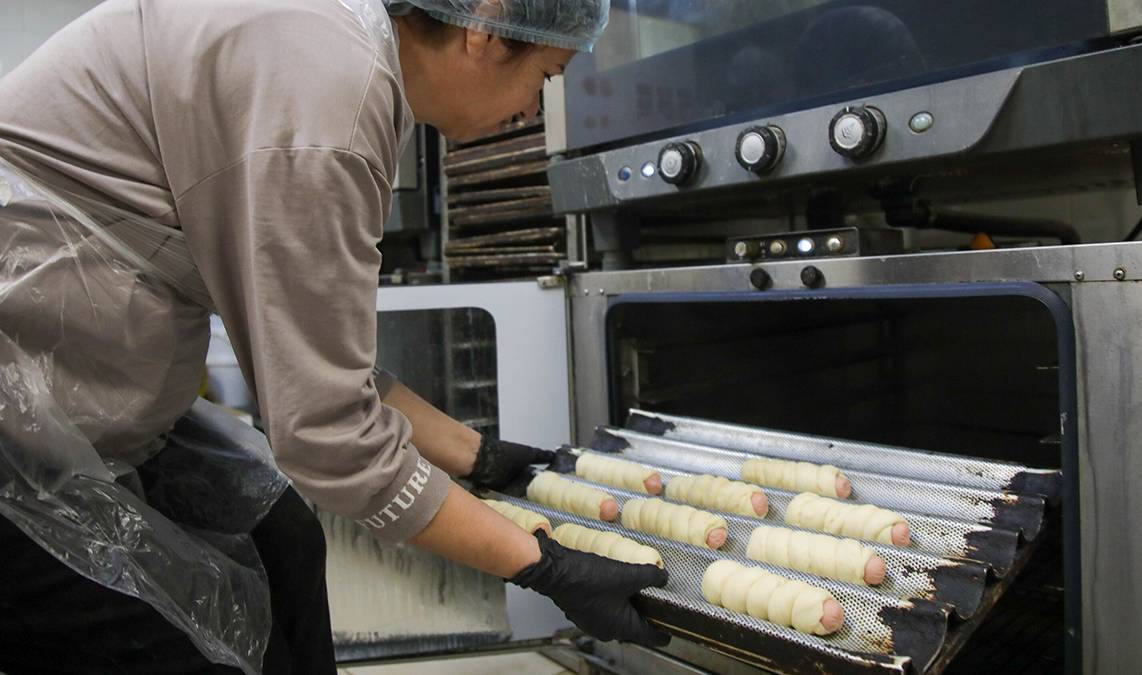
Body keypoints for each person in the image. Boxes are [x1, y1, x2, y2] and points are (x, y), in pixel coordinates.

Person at [0, 0, 669, 673]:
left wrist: (482, 457)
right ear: (485, 28)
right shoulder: (329, 98)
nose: (532, 110)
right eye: (546, 77)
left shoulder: (342, 51)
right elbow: (328, 433)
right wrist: (544, 567)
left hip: (73, 398)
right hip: (18, 438)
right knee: (190, 650)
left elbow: (312, 362)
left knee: (283, 535)